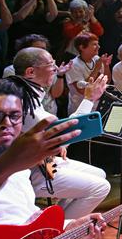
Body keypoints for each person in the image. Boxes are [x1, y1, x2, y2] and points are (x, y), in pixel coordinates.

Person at [0, 80, 105, 239]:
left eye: (15, 116)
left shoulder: (18, 168)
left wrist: (68, 226)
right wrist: (7, 165)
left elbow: (25, 221)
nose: (6, 124)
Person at [8, 47, 111, 219]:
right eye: (50, 64)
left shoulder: (26, 92)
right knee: (100, 187)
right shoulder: (24, 100)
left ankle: (58, 223)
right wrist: (89, 99)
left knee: (99, 174)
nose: (56, 68)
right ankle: (63, 231)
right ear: (31, 72)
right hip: (28, 171)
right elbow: (64, 135)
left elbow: (58, 138)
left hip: (43, 162)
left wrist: (57, 144)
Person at [64, 32, 111, 114]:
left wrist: (106, 66)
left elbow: (107, 81)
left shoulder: (96, 59)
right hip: (80, 110)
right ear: (82, 47)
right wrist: (97, 68)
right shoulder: (73, 65)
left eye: (98, 44)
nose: (98, 47)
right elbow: (82, 90)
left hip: (97, 107)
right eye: (94, 44)